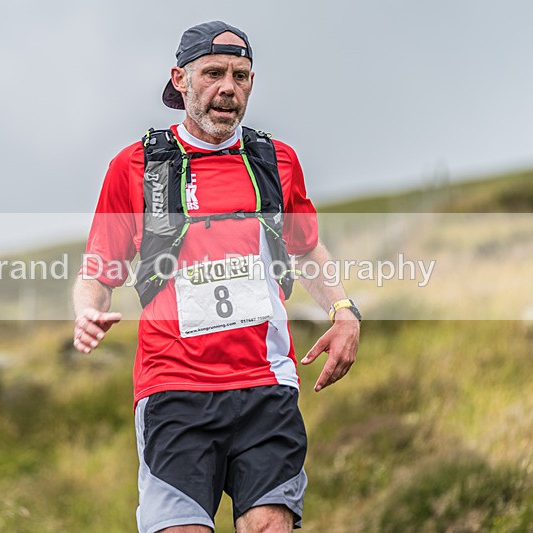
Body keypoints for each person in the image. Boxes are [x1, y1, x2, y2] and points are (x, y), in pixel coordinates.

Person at [72, 21, 361, 533]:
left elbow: (307, 248)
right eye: (213, 73)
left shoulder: (275, 160)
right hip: (174, 390)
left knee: (271, 524)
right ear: (180, 80)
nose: (229, 87)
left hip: (265, 385)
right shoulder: (137, 166)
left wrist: (342, 311)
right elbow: (98, 269)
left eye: (242, 75)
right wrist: (87, 310)